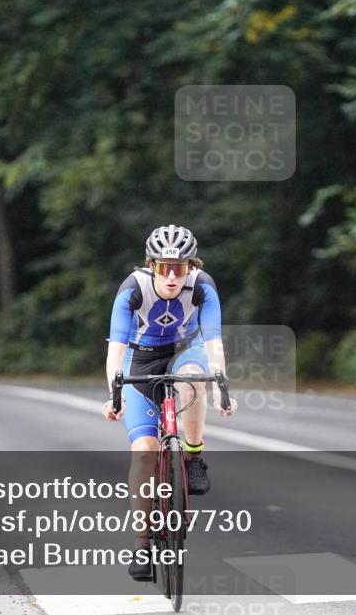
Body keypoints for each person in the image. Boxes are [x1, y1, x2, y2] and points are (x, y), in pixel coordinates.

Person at [102, 224, 237, 580]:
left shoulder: (202, 285)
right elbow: (116, 351)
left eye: (181, 267)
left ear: (192, 266)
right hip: (140, 360)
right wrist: (114, 393)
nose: (173, 276)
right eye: (165, 267)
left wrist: (221, 385)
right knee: (144, 452)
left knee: (193, 381)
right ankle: (142, 545)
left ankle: (193, 456)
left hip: (185, 351)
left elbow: (213, 342)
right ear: (152, 266)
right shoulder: (133, 288)